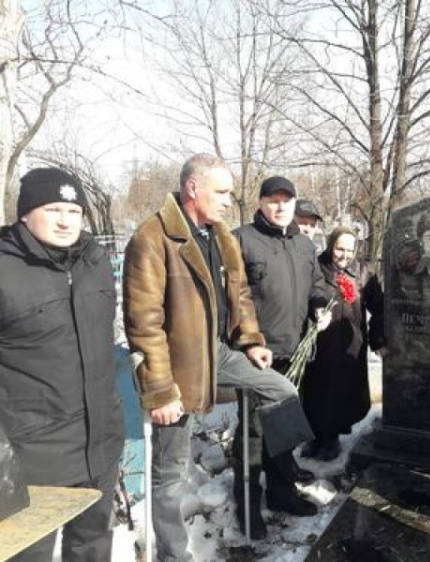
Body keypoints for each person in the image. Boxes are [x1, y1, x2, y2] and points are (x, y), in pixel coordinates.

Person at [123, 155, 314, 557]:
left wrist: (251, 340)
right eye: (222, 192)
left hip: (219, 352)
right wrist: (160, 392)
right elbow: (144, 323)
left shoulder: (220, 234)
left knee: (280, 391)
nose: (230, 201)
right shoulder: (152, 238)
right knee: (169, 474)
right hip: (176, 367)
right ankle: (174, 554)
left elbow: (241, 297)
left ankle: (278, 480)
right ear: (194, 188)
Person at [0, 168, 124, 560]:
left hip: (99, 443)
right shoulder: (5, 269)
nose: (65, 220)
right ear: (24, 214)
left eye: (74, 211)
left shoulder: (94, 259)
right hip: (33, 455)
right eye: (53, 209)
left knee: (92, 547)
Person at [232, 176, 331, 532]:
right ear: (260, 203)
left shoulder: (303, 245)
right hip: (256, 355)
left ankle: (281, 492)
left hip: (294, 352)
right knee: (255, 434)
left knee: (284, 430)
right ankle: (246, 505)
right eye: (273, 200)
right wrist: (248, 341)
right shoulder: (241, 240)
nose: (280, 206)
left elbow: (316, 285)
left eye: (286, 200)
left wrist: (319, 307)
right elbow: (232, 300)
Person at [299, 226, 386, 461]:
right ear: (330, 246)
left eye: (349, 250)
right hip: (319, 343)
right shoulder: (315, 267)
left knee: (341, 392)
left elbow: (378, 308)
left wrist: (378, 339)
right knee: (316, 391)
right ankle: (315, 436)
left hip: (350, 343)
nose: (344, 255)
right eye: (339, 248)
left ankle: (332, 438)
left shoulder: (364, 271)